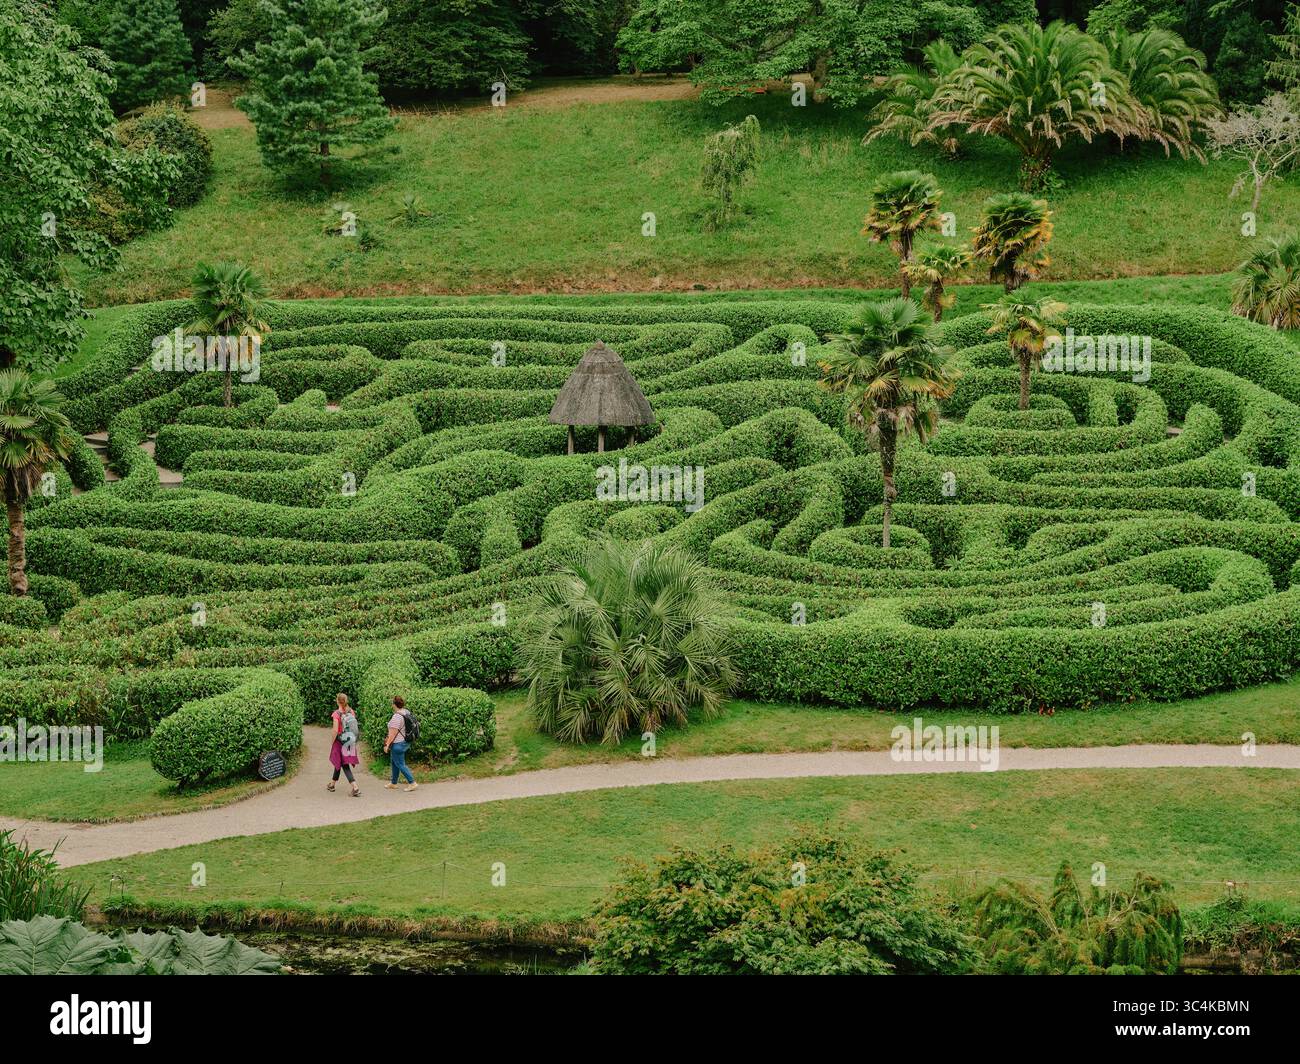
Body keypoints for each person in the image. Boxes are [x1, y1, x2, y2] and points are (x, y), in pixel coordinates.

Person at [328, 693, 361, 797]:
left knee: (344, 764)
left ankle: (355, 787)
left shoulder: (336, 714)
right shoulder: (351, 712)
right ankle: (332, 784)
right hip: (350, 740)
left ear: (337, 701)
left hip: (340, 741)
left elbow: (335, 730)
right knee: (340, 761)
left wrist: (332, 741)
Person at [384, 695, 417, 792]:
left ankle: (412, 783)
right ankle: (393, 783)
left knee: (400, 763)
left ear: (394, 705)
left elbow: (392, 734)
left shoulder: (396, 717)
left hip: (398, 744)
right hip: (404, 742)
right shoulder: (406, 712)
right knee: (394, 762)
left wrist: (387, 745)